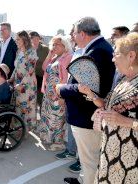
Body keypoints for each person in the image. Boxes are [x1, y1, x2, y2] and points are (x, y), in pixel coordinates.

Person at [56, 17, 115, 184]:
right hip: (87, 114)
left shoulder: (97, 52)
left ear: (82, 34)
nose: (72, 37)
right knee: (87, 159)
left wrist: (61, 89)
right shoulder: (99, 48)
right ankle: (83, 180)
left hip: (86, 116)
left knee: (90, 161)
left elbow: (86, 89)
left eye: (74, 33)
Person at [78, 32, 138, 184]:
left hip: (130, 157)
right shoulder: (124, 78)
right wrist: (90, 94)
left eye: (116, 54)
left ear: (131, 56)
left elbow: (122, 118)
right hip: (111, 150)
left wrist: (127, 122)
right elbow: (107, 104)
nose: (112, 59)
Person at [55, 25, 82, 174]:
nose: (71, 35)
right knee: (71, 125)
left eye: (74, 32)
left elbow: (67, 77)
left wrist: (62, 94)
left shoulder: (75, 53)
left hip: (78, 95)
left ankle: (81, 160)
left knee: (81, 130)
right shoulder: (77, 51)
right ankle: (71, 151)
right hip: (70, 93)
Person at [38, 35, 72, 151]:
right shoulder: (54, 58)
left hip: (58, 93)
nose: (54, 46)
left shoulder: (68, 57)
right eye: (53, 44)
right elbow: (44, 68)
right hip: (49, 93)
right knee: (48, 116)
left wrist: (62, 95)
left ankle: (58, 142)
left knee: (57, 118)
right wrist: (50, 55)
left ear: (65, 46)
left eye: (57, 44)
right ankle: (49, 138)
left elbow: (66, 79)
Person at [9, 31, 38, 131]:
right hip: (17, 83)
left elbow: (30, 70)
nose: (16, 41)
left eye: (18, 39)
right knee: (19, 106)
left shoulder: (31, 51)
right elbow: (16, 68)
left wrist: (21, 84)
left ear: (24, 40)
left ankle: (26, 129)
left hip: (27, 84)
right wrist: (11, 78)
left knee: (27, 107)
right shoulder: (19, 51)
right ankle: (20, 128)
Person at [29, 31, 49, 107]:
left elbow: (49, 61)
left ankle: (41, 116)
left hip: (41, 77)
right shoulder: (28, 49)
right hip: (30, 78)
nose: (35, 40)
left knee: (41, 100)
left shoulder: (45, 49)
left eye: (37, 38)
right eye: (32, 38)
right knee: (31, 100)